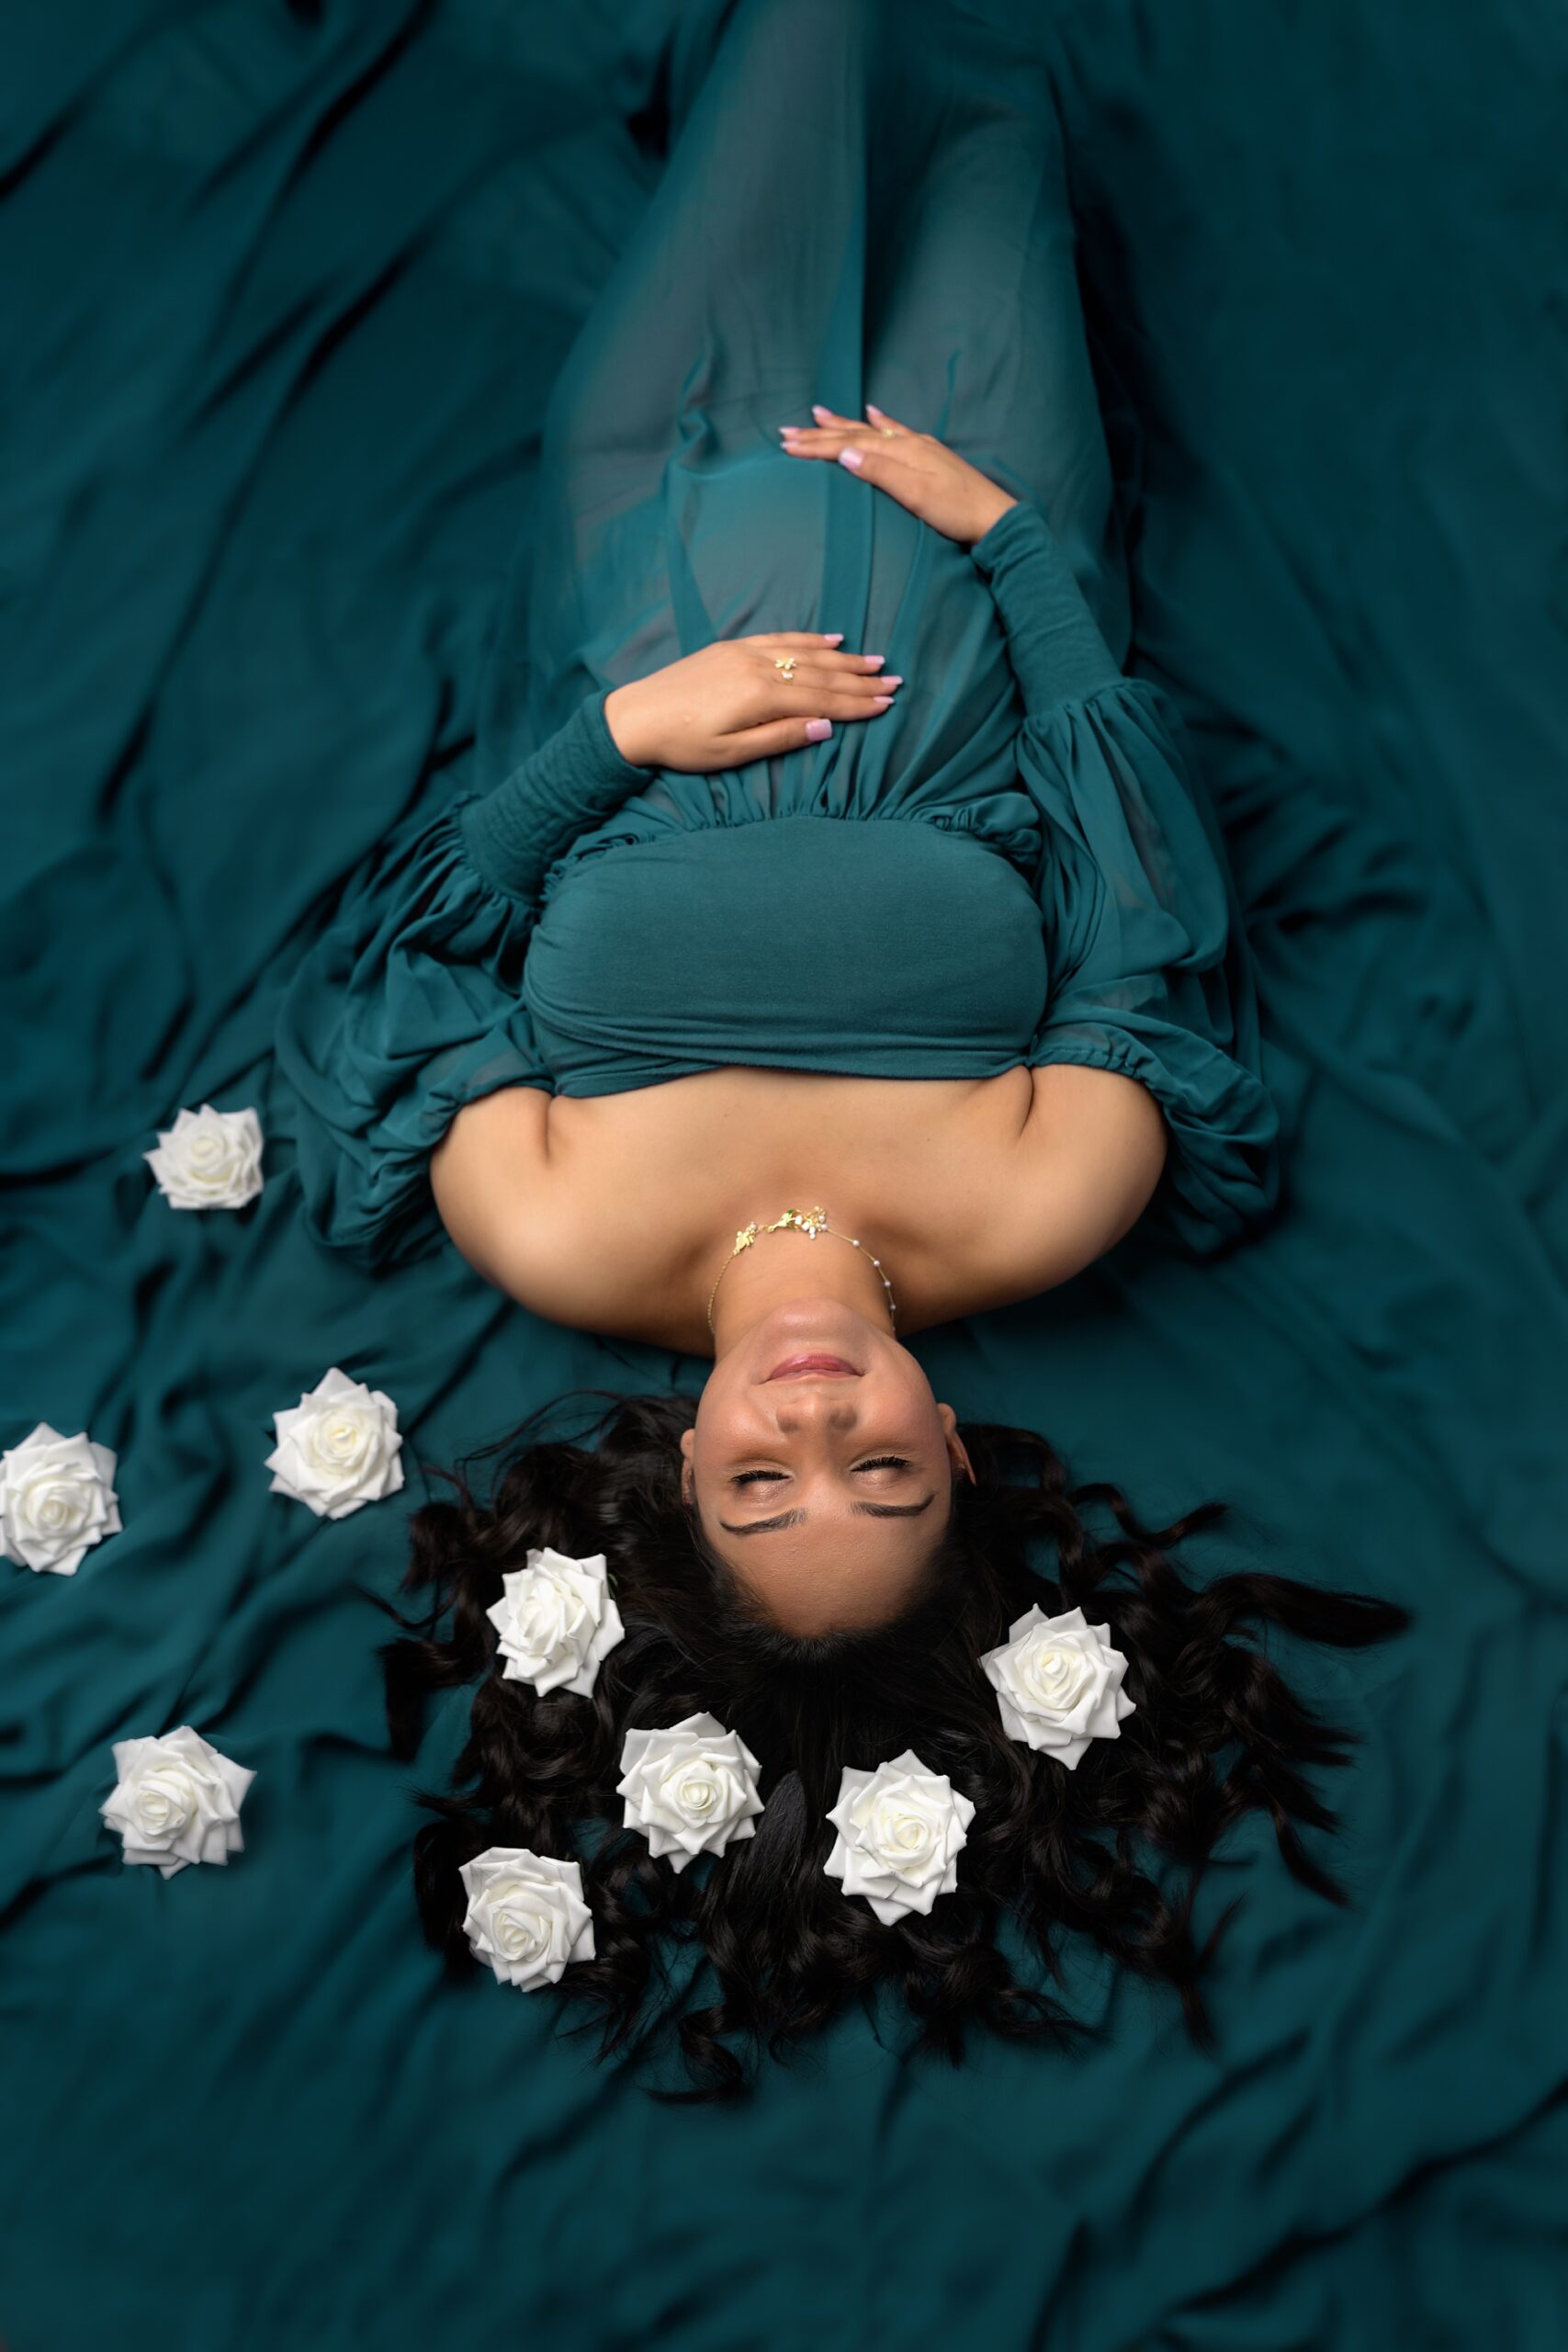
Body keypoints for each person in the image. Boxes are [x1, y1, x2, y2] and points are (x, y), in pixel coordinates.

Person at [276, 0, 1406, 2095]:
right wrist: (1012, 546)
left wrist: (620, 731)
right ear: (955, 1451)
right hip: (963, 579)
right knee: (989, 114)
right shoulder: (1045, 1198)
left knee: (805, 39)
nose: (814, 1417)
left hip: (654, 543)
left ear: (672, 1476)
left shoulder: (550, 1230)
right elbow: (1139, 882)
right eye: (879, 1470)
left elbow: (406, 937)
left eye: (760, 1481)